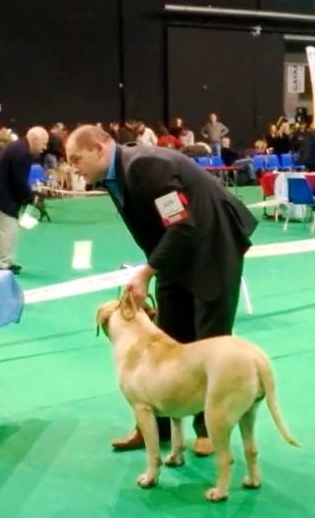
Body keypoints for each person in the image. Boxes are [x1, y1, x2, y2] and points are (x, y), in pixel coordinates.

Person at [64, 125, 258, 457]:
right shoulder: (113, 177)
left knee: (210, 338)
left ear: (98, 148)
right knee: (168, 335)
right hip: (175, 247)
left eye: (76, 159)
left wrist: (146, 273)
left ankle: (209, 428)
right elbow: (161, 226)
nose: (73, 168)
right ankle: (157, 425)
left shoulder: (145, 166)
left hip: (212, 241)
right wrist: (154, 269)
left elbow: (181, 221)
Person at [0, 126, 49, 273]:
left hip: (0, 194)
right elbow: (19, 181)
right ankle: (0, 264)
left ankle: (5, 260)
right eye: (43, 143)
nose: (44, 148)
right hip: (2, 197)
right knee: (7, 230)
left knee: (9, 230)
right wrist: (30, 198)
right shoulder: (22, 154)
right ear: (35, 139)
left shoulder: (18, 148)